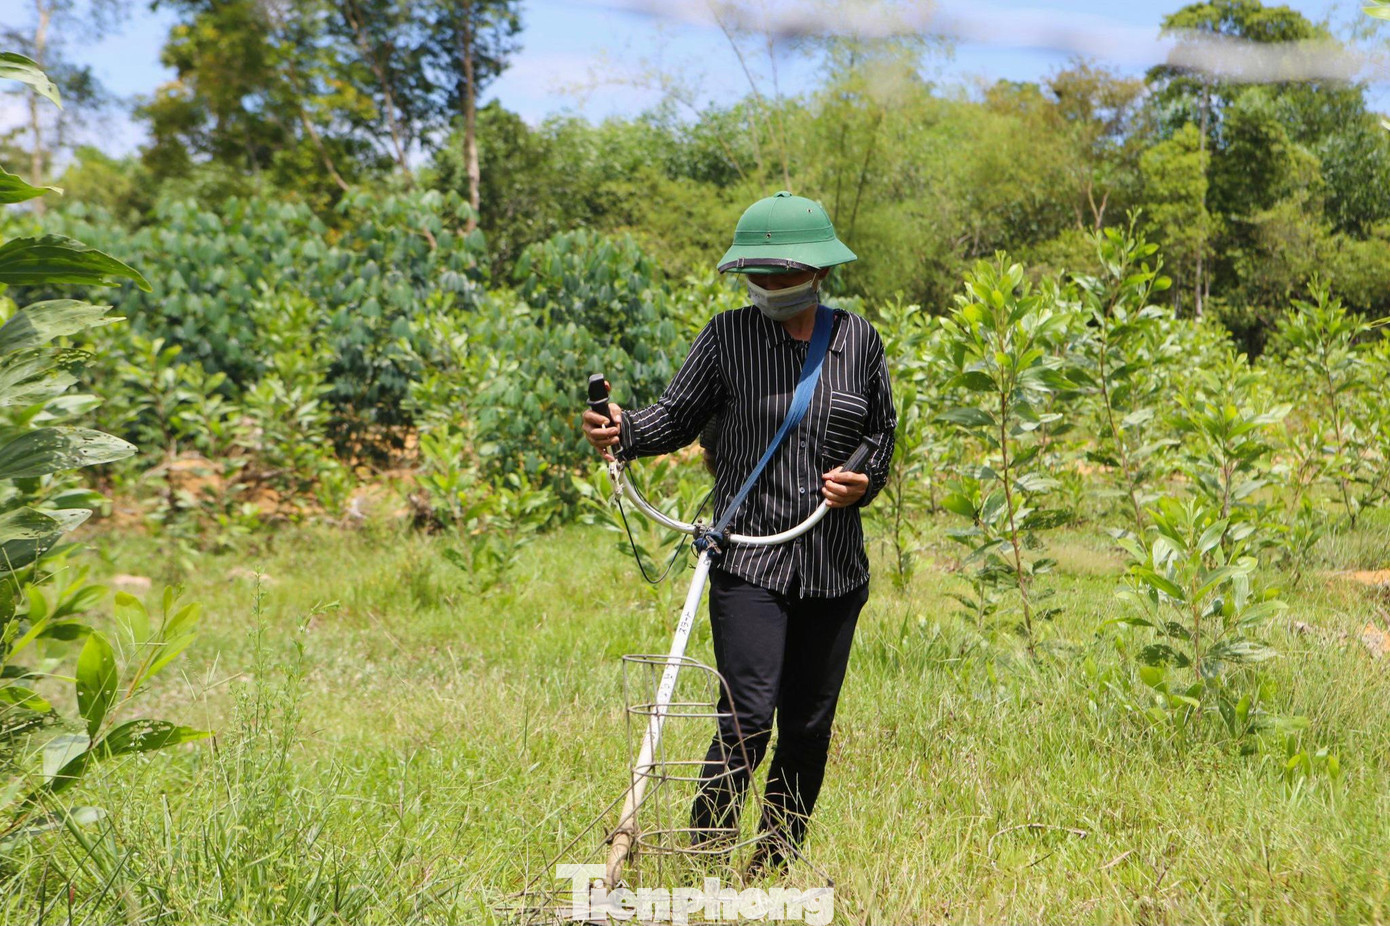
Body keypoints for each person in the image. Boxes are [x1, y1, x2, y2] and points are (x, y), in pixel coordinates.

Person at [581, 191, 896, 876]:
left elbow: (880, 434)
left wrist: (863, 480)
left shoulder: (858, 341)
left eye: (784, 274)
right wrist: (621, 429)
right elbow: (673, 417)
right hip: (749, 560)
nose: (770, 286)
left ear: (819, 272)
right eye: (759, 274)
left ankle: (773, 864)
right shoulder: (726, 337)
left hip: (834, 569)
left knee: (807, 728)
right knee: (747, 718)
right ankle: (704, 855)